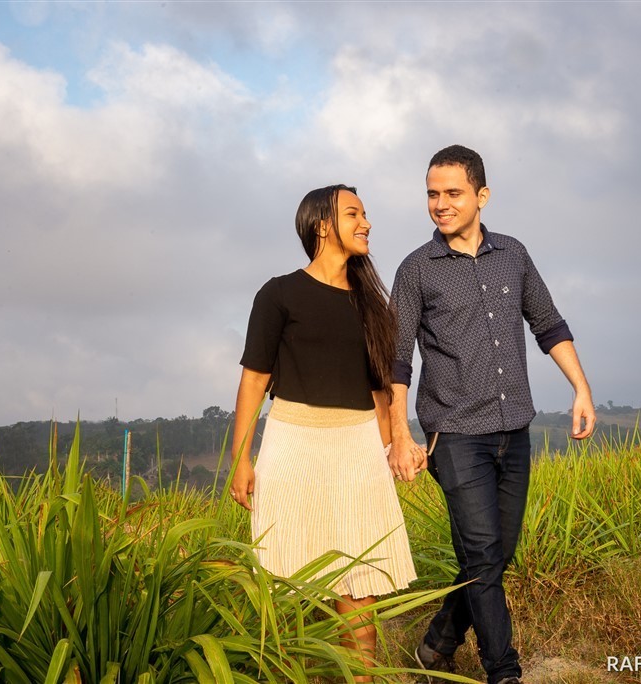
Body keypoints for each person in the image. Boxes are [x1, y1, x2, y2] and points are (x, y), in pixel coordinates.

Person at [387, 145, 596, 684]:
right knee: (483, 556)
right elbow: (395, 361)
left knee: (497, 552)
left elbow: (548, 323)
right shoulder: (416, 270)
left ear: (482, 195)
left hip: (514, 429)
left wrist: (581, 388)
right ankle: (504, 671)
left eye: (453, 193)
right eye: (432, 194)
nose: (440, 204)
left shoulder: (513, 255)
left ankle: (437, 643)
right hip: (455, 434)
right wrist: (399, 435)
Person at [230, 184, 421, 683]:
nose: (366, 223)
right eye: (354, 214)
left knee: (361, 584)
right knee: (285, 579)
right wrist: (240, 459)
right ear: (321, 224)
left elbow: (380, 389)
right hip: (291, 442)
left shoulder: (372, 304)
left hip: (358, 447)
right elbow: (254, 380)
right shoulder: (278, 294)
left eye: (365, 214)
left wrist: (392, 446)